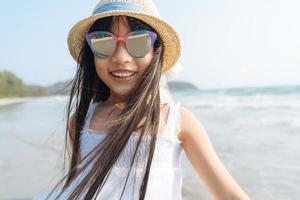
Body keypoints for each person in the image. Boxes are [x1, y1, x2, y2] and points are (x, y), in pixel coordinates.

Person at [33, 0, 251, 199]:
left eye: (138, 43)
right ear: (91, 53)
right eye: (103, 43)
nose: (121, 57)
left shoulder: (177, 121)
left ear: (155, 51)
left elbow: (229, 194)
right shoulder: (79, 121)